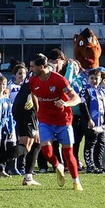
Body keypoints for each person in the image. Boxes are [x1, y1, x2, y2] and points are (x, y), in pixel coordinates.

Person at [27, 52, 84, 191]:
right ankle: (58, 165)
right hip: (45, 120)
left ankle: (76, 181)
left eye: (33, 66)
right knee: (46, 151)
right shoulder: (33, 80)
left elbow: (76, 98)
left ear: (42, 67)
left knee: (68, 153)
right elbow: (33, 93)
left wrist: (65, 103)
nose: (30, 69)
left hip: (63, 120)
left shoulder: (59, 80)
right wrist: (34, 104)